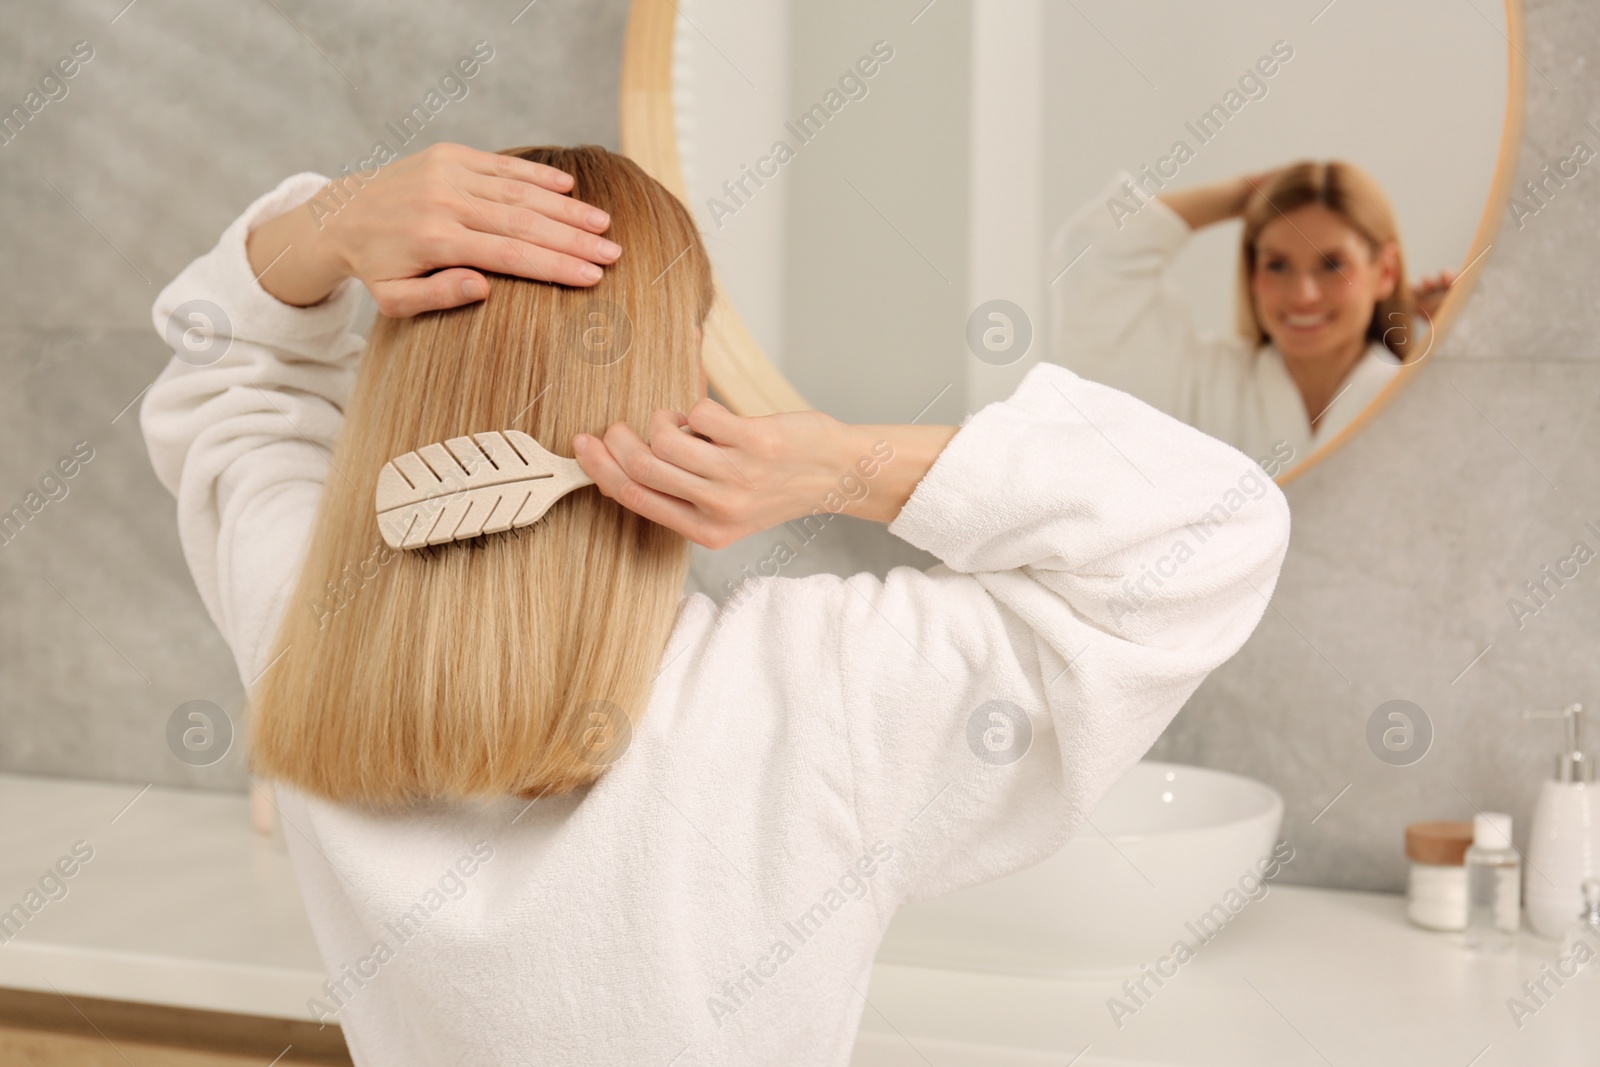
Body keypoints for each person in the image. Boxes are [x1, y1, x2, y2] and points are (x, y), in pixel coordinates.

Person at [140, 141, 1292, 1065]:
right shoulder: (813, 692)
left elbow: (220, 366)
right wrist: (854, 466)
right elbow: (1209, 534)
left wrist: (335, 220)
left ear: (405, 368)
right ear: (680, 381)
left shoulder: (306, 629)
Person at [1051, 162, 1454, 471]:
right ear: (1252, 273)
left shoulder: (1425, 395)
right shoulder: (1204, 385)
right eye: (1278, 265)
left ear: (1385, 272)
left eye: (1332, 265)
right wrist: (1244, 195)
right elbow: (1093, 255)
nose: (1304, 295)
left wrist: (1461, 343)